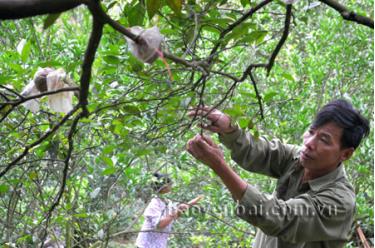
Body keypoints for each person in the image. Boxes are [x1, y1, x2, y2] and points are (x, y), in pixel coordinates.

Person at [186, 99, 369, 248]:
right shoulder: (298, 158)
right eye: (311, 132)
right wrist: (229, 129)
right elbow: (260, 151)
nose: (309, 143)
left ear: (345, 154)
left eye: (324, 140)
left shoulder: (340, 201)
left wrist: (219, 165)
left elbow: (279, 217)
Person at [135, 172, 202, 248]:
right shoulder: (154, 203)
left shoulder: (167, 202)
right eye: (169, 184)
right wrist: (175, 212)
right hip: (146, 245)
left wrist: (190, 203)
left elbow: (173, 217)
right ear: (164, 187)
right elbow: (159, 225)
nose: (171, 186)